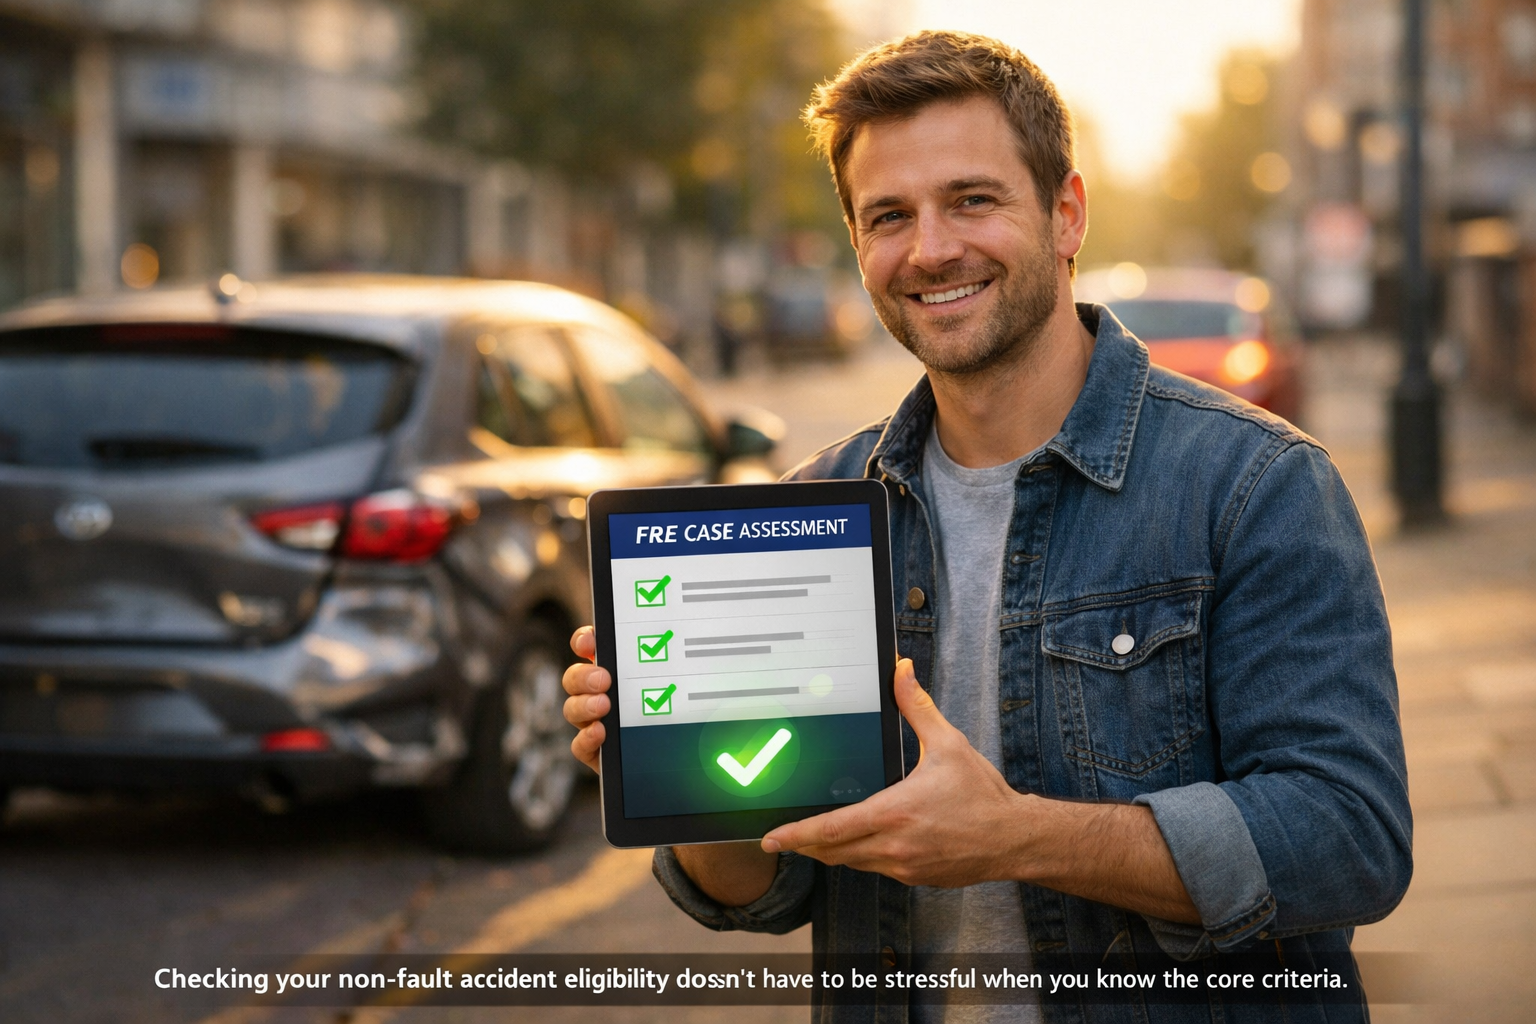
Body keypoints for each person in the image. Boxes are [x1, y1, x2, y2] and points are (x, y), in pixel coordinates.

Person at [562, 30, 1410, 1024]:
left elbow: (1349, 839)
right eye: (889, 216)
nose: (929, 249)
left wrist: (1015, 836)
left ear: (1065, 214)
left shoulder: (1255, 484)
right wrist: (675, 766)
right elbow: (760, 890)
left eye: (971, 199)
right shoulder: (807, 510)